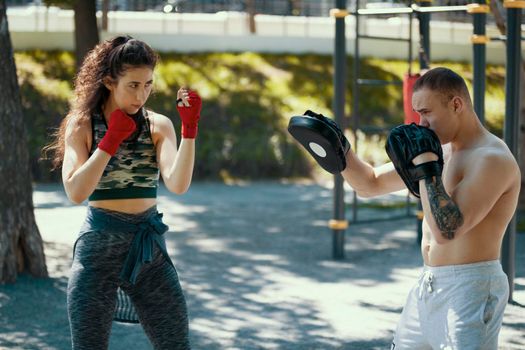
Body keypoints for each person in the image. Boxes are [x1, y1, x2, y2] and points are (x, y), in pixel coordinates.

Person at [291, 67, 520, 349]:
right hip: (428, 284)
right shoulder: (442, 152)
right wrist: (340, 150)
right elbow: (370, 184)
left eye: (427, 112)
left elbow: (447, 230)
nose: (421, 123)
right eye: (417, 114)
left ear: (456, 104)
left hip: (471, 289)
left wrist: (426, 168)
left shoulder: (492, 159)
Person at [43, 35, 200, 349]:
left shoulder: (158, 125)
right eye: (133, 85)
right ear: (109, 81)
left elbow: (178, 184)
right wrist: (108, 143)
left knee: (176, 344)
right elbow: (75, 191)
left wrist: (189, 130)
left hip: (147, 250)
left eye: (148, 84)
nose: (141, 94)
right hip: (97, 251)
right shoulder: (83, 124)